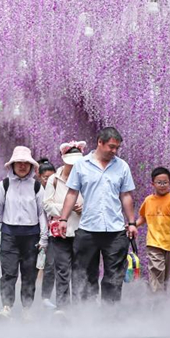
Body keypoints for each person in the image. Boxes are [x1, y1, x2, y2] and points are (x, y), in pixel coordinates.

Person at [58, 127, 136, 303]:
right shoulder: (81, 165)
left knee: (114, 276)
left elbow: (126, 195)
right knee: (85, 274)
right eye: (111, 146)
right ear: (100, 142)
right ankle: (87, 315)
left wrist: (131, 223)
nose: (114, 151)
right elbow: (71, 193)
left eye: (117, 148)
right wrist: (63, 219)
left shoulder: (122, 166)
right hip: (88, 228)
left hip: (115, 230)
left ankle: (109, 316)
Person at [0, 146, 48, 320]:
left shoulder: (36, 187)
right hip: (9, 235)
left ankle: (27, 309)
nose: (22, 166)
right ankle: (6, 307)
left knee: (29, 274)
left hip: (31, 237)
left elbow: (42, 214)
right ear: (12, 165)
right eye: (18, 163)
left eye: (25, 163)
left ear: (30, 166)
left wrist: (44, 237)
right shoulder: (4, 185)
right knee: (8, 272)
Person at [43, 141, 86, 314]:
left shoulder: (86, 177)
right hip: (60, 232)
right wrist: (66, 208)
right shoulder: (53, 179)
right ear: (63, 159)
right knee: (62, 269)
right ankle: (62, 307)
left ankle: (77, 306)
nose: (73, 165)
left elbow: (94, 200)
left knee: (79, 269)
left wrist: (84, 207)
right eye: (70, 161)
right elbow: (46, 205)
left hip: (81, 229)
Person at [36, 158, 58, 308]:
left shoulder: (59, 191)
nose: (48, 180)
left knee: (52, 264)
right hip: (38, 233)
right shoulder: (36, 191)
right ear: (39, 177)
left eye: (51, 177)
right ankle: (39, 297)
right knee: (41, 265)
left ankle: (48, 297)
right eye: (45, 178)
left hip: (55, 233)